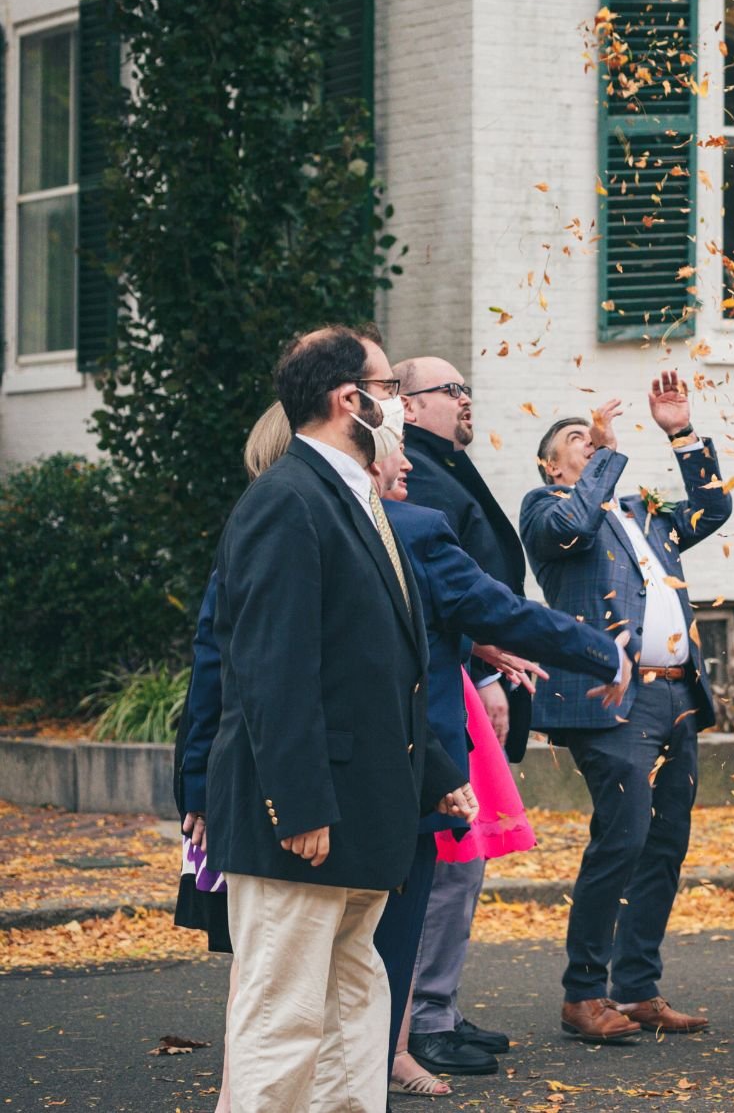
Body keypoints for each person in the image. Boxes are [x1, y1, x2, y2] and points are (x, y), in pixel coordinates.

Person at [204, 326, 472, 1112]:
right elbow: (272, 667)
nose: (401, 405)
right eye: (390, 390)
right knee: (283, 1017)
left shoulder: (354, 499)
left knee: (355, 1009)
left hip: (365, 812)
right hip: (303, 820)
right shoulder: (284, 501)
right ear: (350, 400)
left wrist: (436, 772)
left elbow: (378, 663)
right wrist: (299, 803)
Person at [371, 440, 629, 1096]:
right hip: (398, 730)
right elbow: (493, 603)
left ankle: (410, 1027)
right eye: (395, 452)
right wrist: (602, 653)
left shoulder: (405, 507)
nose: (410, 467)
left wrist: (475, 646)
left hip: (428, 716)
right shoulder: (420, 519)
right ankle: (397, 1037)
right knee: (403, 889)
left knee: (446, 868)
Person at [520, 370, 732, 1044]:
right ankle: (583, 992)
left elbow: (713, 509)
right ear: (552, 465)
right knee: (623, 835)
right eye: (575, 438)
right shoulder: (547, 509)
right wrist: (605, 455)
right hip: (613, 696)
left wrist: (681, 432)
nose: (589, 440)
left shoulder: (644, 513)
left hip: (676, 691)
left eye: (592, 437)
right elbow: (574, 522)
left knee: (665, 841)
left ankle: (637, 987)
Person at [392, 356, 541, 1075]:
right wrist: (482, 669)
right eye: (450, 390)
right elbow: (442, 591)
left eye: (465, 388)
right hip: (449, 678)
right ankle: (421, 1016)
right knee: (452, 848)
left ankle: (437, 1004)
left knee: (466, 850)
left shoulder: (439, 462)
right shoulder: (413, 472)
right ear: (408, 404)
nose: (465, 399)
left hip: (466, 671)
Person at [170, 401, 296, 1113]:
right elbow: (212, 669)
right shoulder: (261, 531)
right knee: (260, 957)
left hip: (245, 775)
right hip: (244, 778)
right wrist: (197, 791)